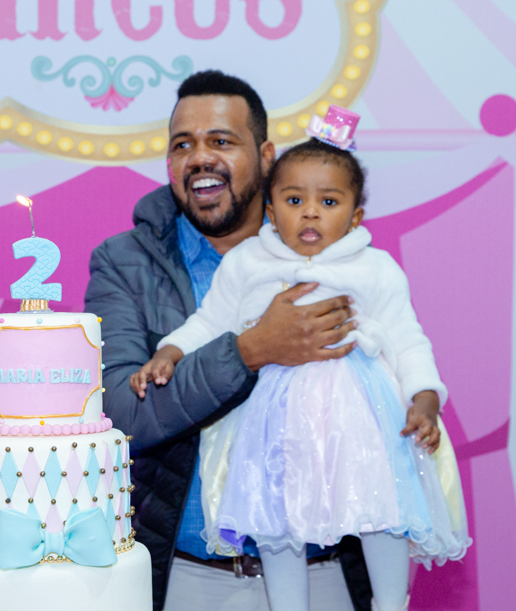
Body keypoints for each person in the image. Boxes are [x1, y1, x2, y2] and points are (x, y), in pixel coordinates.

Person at [131, 138, 471, 611]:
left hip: (360, 419)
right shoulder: (248, 261)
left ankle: (391, 602)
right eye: (294, 200)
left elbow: (407, 338)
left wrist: (425, 399)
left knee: (381, 507)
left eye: (328, 202)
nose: (310, 212)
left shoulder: (375, 267)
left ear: (356, 216)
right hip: (275, 419)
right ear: (271, 212)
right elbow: (209, 322)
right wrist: (169, 352)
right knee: (275, 517)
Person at [85, 70, 371, 611]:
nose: (200, 158)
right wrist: (250, 351)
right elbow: (119, 413)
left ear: (265, 157)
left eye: (220, 141)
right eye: (182, 145)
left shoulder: (333, 250)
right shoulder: (124, 263)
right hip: (193, 579)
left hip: (326, 571)